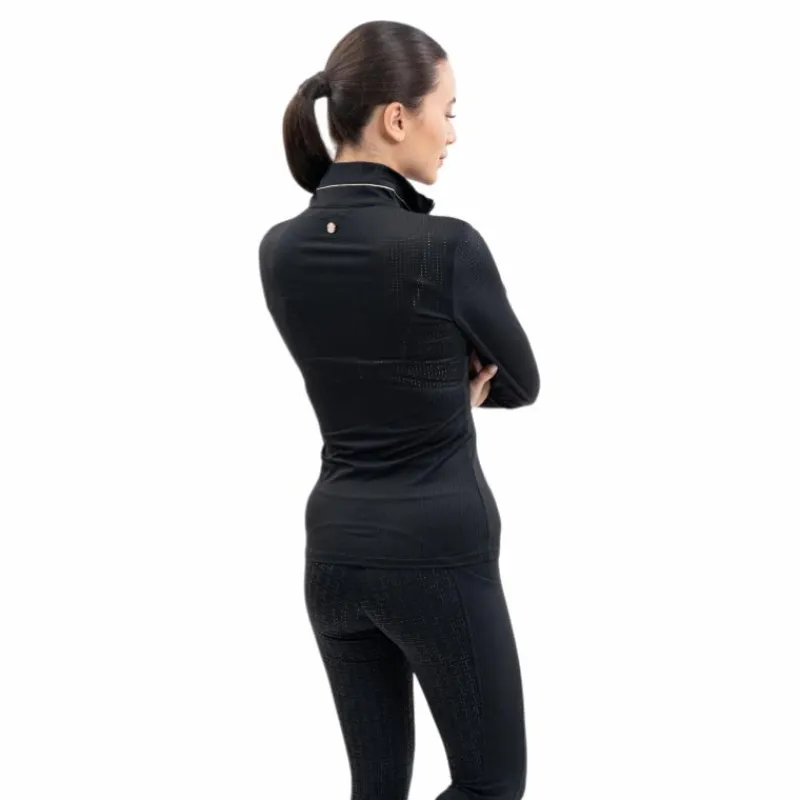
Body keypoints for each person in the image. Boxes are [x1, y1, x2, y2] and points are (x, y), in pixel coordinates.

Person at [258, 19, 539, 800]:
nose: (452, 132)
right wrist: (455, 386)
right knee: (490, 786)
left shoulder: (279, 249)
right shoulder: (445, 247)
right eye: (447, 110)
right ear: (395, 117)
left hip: (333, 554)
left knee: (375, 789)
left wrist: (431, 381)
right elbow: (521, 380)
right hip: (435, 549)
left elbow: (356, 366)